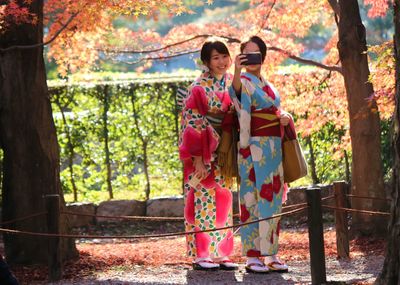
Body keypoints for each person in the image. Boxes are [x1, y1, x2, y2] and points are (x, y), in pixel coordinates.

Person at [230, 35, 291, 274]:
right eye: (247, 53)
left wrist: (285, 117)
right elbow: (234, 94)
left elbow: (274, 108)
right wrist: (236, 70)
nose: (252, 58)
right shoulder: (242, 80)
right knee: (252, 198)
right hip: (252, 147)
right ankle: (253, 256)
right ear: (242, 57)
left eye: (256, 53)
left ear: (263, 57)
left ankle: (271, 254)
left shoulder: (267, 83)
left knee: (273, 200)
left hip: (273, 148)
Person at [179, 40, 239, 271]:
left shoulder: (229, 81)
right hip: (202, 151)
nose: (222, 62)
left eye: (225, 56)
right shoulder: (198, 87)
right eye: (216, 58)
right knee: (202, 201)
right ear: (206, 62)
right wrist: (197, 158)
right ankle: (201, 254)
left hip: (223, 150)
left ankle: (221, 253)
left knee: (223, 200)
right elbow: (192, 122)